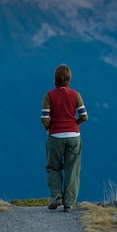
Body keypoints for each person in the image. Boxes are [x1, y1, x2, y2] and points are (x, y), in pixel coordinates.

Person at [41, 64, 88, 212]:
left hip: (55, 136)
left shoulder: (49, 96)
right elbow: (84, 116)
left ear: (55, 79)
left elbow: (44, 118)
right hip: (74, 135)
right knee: (72, 169)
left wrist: (49, 127)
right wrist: (75, 124)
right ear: (69, 79)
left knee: (53, 166)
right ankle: (68, 203)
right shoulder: (76, 95)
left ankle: (56, 196)